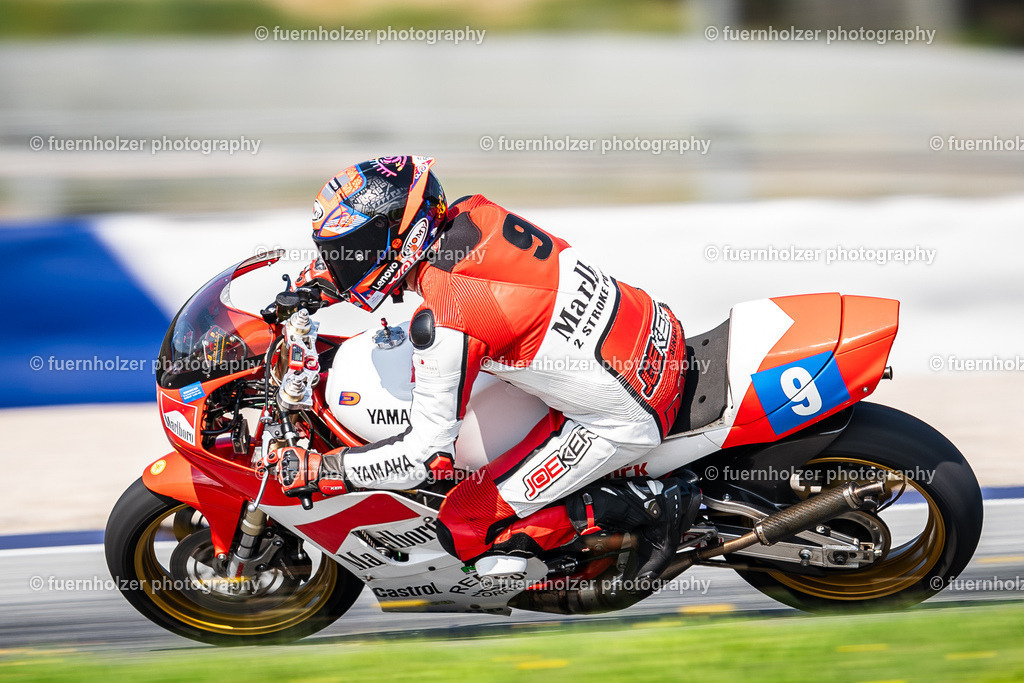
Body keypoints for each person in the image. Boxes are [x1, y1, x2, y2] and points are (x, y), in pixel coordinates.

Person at [272, 155, 700, 582]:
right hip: (652, 327)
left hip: (628, 412)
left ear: (404, 232)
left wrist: (326, 469)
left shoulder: (448, 317)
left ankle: (650, 505)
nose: (346, 262)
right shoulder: (475, 213)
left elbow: (419, 459)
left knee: (464, 524)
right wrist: (319, 285)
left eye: (356, 248)